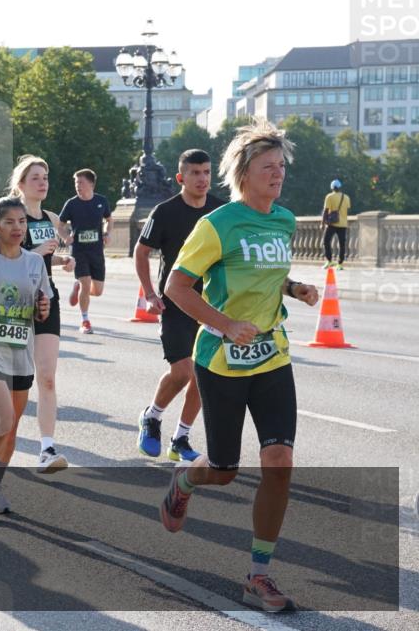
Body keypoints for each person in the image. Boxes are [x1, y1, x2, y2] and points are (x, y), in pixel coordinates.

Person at [159, 121, 319, 613]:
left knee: (279, 463)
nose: (278, 174)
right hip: (222, 362)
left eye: (282, 167)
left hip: (272, 355)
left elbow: (268, 272)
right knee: (224, 471)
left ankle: (259, 575)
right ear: (243, 174)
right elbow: (177, 288)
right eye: (268, 167)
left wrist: (296, 289)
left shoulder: (284, 221)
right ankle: (186, 481)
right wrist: (225, 324)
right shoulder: (217, 225)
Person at [134, 149, 226, 462]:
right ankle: (152, 415)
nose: (202, 179)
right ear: (180, 178)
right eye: (195, 173)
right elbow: (141, 252)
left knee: (202, 374)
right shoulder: (165, 211)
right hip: (175, 302)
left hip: (210, 305)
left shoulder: (220, 211)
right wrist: (149, 293)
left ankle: (180, 438)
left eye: (206, 173)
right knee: (182, 371)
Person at [0, 197, 52, 514]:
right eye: (9, 222)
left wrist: (43, 309)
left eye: (22, 221)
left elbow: (42, 307)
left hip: (20, 353)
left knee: (11, 427)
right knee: (4, 418)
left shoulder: (35, 262)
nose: (17, 228)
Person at [7, 156, 73, 473]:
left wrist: (61, 262)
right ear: (20, 184)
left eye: (45, 176)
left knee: (46, 377)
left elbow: (46, 258)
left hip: (46, 300)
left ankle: (46, 449)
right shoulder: (11, 216)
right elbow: (1, 263)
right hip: (14, 302)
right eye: (35, 177)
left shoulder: (50, 216)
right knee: (12, 378)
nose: (42, 182)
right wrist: (36, 253)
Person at [59, 169, 111, 334]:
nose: (77, 186)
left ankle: (78, 287)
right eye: (76, 183)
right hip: (79, 252)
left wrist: (107, 233)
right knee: (86, 283)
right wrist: (66, 237)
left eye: (80, 182)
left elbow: (109, 219)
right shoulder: (71, 204)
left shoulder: (101, 201)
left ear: (91, 184)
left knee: (97, 291)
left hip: (97, 251)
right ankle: (85, 320)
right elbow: (60, 225)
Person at [321, 179, 351, 270]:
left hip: (332, 223)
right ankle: (340, 264)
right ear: (340, 187)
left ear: (332, 187)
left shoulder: (329, 196)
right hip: (343, 224)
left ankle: (329, 261)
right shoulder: (346, 197)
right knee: (342, 244)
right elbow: (347, 209)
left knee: (326, 241)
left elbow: (326, 211)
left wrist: (322, 223)